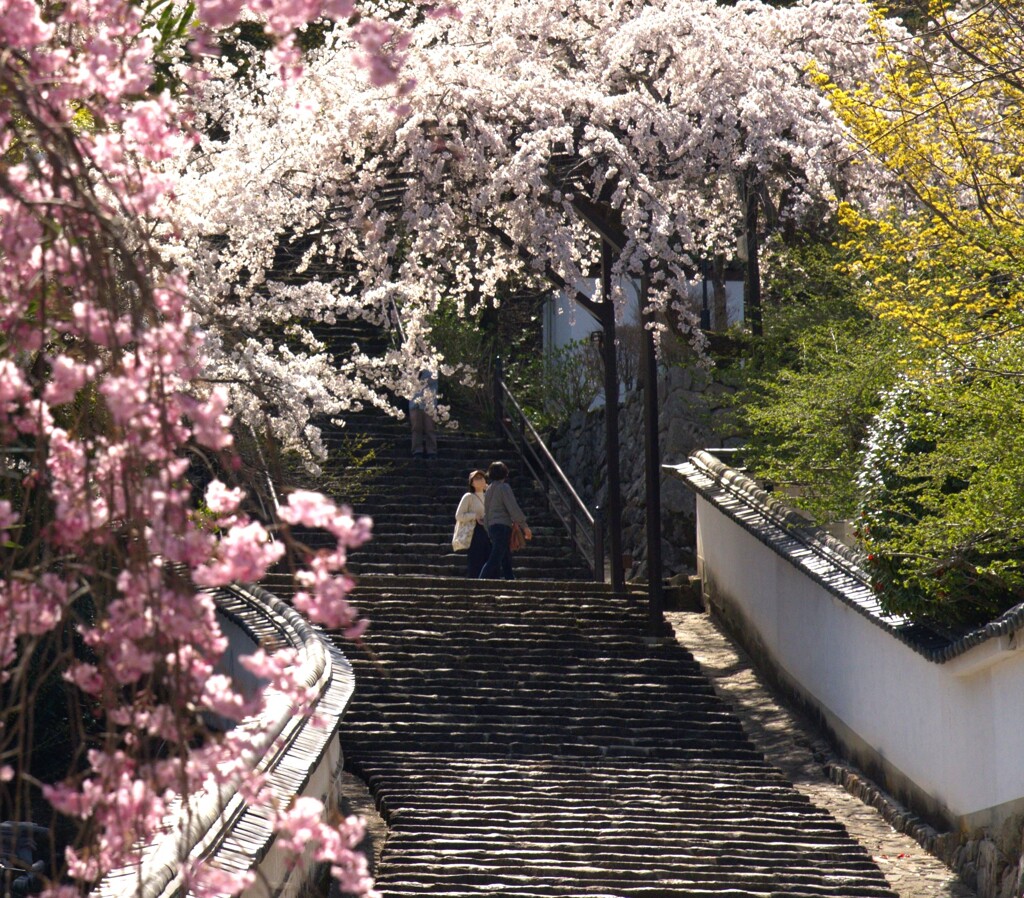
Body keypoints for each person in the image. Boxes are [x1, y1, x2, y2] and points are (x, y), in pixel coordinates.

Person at [479, 461, 531, 580]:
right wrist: (524, 526)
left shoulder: (489, 490)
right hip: (502, 526)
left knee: (505, 557)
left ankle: (510, 578)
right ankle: (480, 581)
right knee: (495, 558)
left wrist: (488, 528)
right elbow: (512, 507)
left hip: (492, 526)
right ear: (505, 473)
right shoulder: (504, 487)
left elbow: (486, 512)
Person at [452, 470, 491, 578]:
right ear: (472, 483)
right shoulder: (468, 496)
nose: (480, 480)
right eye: (476, 478)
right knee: (476, 558)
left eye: (481, 477)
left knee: (487, 556)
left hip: (487, 529)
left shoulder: (488, 495)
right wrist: (475, 516)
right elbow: (459, 515)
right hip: (474, 531)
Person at [409, 368, 437, 459]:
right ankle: (417, 450)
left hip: (429, 401)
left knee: (430, 427)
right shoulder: (411, 364)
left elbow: (433, 379)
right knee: (416, 427)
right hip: (415, 401)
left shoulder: (432, 365)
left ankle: (431, 451)